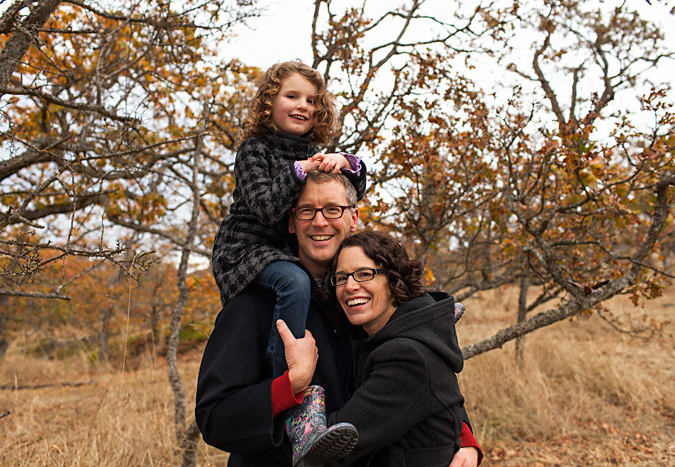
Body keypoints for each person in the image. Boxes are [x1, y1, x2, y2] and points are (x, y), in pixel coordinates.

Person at [196, 172, 482, 466]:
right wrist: (291, 384)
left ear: (353, 217)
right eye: (306, 211)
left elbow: (423, 367)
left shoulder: (367, 298)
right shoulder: (255, 304)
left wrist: (462, 437)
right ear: (291, 222)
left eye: (333, 209)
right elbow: (214, 418)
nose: (320, 222)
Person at [210, 61, 367, 465]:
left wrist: (345, 164)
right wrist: (290, 384)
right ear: (269, 102)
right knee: (295, 283)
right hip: (248, 249)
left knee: (373, 270)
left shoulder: (355, 293)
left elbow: (416, 374)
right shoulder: (255, 149)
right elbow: (264, 207)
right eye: (292, 96)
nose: (303, 106)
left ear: (351, 216)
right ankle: (300, 405)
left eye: (312, 100)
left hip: (280, 253)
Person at [280, 230, 473, 466]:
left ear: (393, 280)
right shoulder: (376, 333)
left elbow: (331, 448)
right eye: (341, 278)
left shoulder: (407, 357)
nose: (350, 286)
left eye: (364, 274)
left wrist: (297, 383)